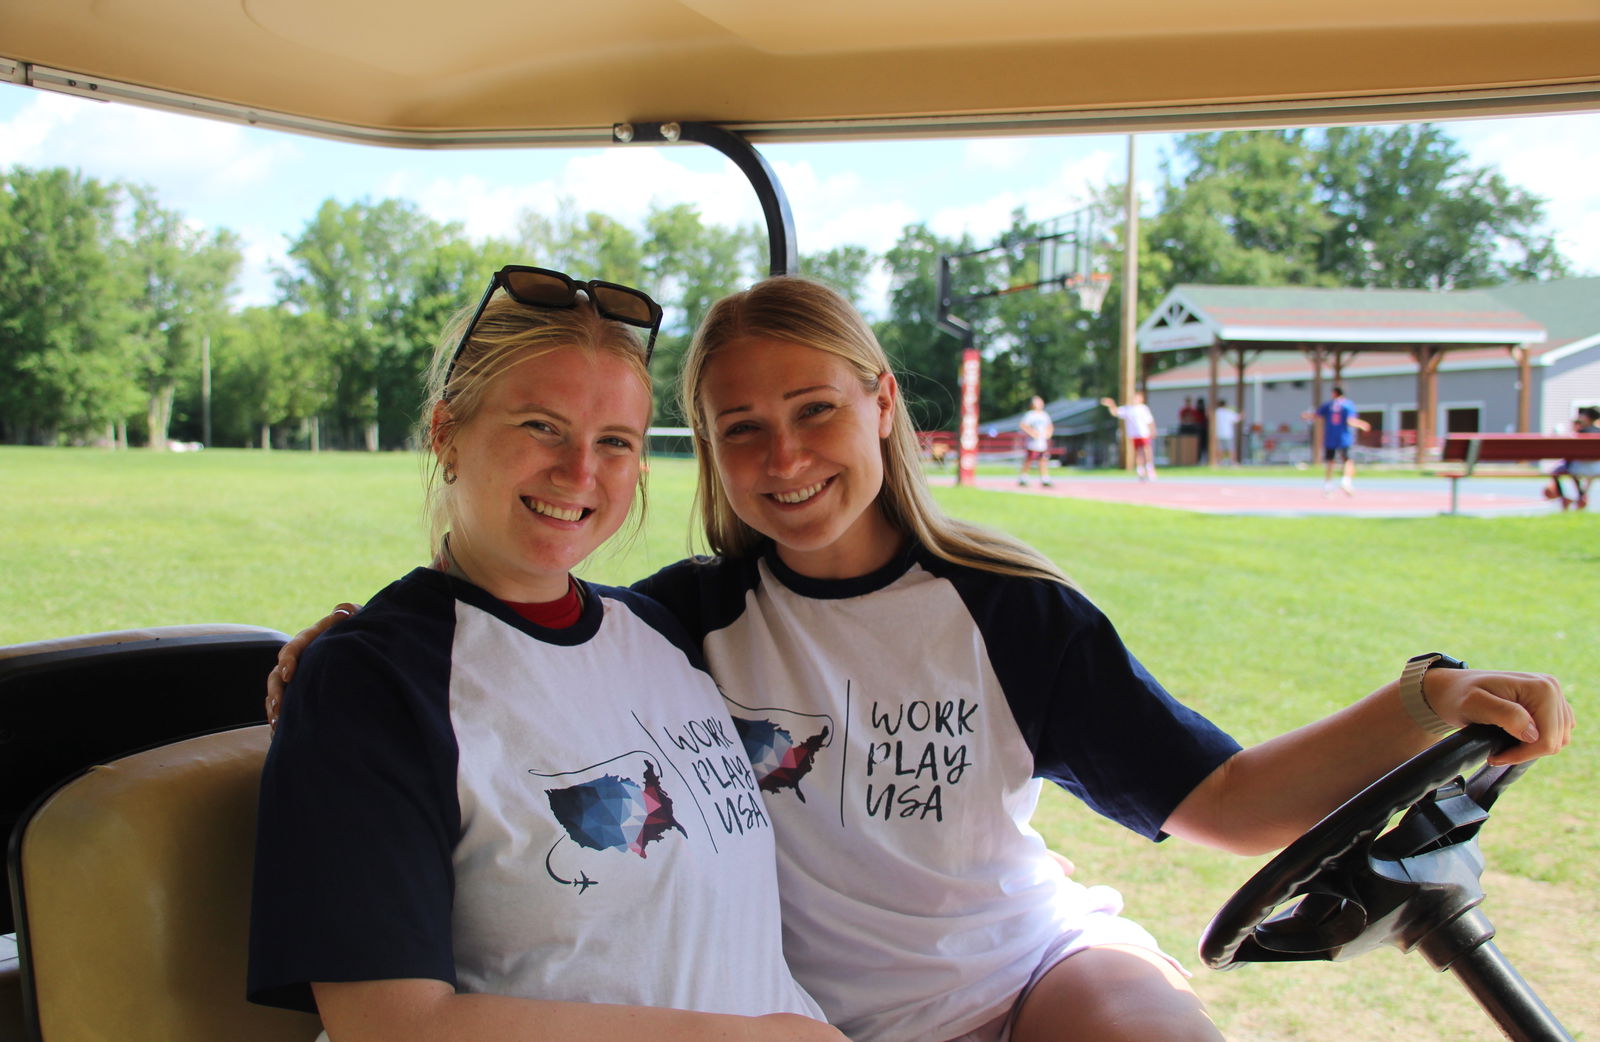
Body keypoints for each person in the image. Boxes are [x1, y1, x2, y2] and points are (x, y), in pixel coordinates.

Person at [273, 277, 1574, 1042]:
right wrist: (357, 643)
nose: (785, 459)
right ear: (712, 454)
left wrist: (1428, 700)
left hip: (1022, 972)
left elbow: (1225, 800)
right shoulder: (681, 622)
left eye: (815, 412)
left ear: (881, 404)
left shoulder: (1007, 611)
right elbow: (515, 638)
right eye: (741, 430)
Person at [249, 267, 839, 1042]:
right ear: (445, 433)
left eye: (615, 443)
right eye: (540, 426)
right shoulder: (376, 681)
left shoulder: (664, 631)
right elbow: (388, 1024)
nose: (579, 471)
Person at [1301, 386, 1371, 495]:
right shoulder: (1348, 405)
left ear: (1334, 393)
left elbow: (1316, 415)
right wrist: (1362, 424)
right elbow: (1350, 420)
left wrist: (1306, 416)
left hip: (1330, 437)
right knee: (1347, 460)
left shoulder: (1329, 405)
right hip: (1343, 437)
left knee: (1330, 462)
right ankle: (1345, 481)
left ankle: (1327, 486)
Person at [1544, 406, 1599, 510]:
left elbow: (1571, 453)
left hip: (1579, 467)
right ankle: (1581, 496)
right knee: (1576, 470)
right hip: (1597, 467)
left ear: (1587, 418)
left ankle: (1568, 498)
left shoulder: (1582, 432)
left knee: (1564, 470)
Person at [1100, 391, 1158, 480]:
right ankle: (1140, 470)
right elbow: (1115, 412)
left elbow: (1150, 421)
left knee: (1147, 450)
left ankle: (1149, 468)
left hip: (1144, 433)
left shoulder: (1143, 408)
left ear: (1141, 399)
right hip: (1134, 435)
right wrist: (1111, 404)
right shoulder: (1128, 409)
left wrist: (1153, 431)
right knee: (1138, 453)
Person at [1017, 396, 1054, 487]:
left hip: (1042, 442)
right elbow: (1023, 425)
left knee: (1043, 459)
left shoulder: (1044, 415)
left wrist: (1049, 434)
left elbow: (1050, 426)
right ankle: (1023, 477)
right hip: (1033, 442)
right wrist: (1032, 432)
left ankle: (1044, 478)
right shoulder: (1030, 415)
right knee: (1029, 459)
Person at [1212, 399, 1241, 466]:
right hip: (1228, 433)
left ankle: (1218, 462)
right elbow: (1237, 419)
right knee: (1231, 449)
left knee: (1219, 449)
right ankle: (1233, 462)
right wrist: (1241, 415)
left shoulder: (1216, 412)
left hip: (1218, 433)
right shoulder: (1228, 412)